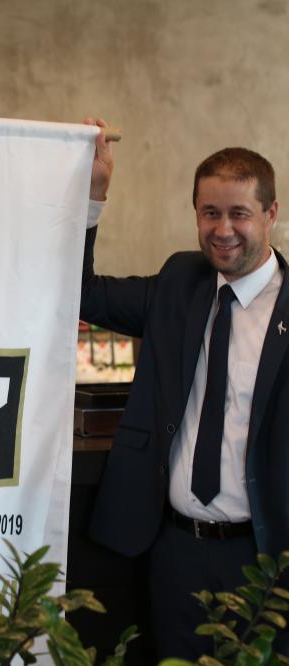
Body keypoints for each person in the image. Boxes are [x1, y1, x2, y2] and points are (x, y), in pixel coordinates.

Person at [82, 128, 289, 659]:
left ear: (270, 214)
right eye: (209, 213)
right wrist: (93, 196)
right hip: (173, 551)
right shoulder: (179, 281)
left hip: (265, 559)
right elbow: (82, 295)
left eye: (239, 214)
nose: (223, 230)